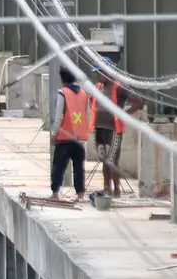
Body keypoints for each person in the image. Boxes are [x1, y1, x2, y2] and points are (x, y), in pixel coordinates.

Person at [91, 59, 145, 197]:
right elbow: (92, 102)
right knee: (104, 159)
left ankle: (116, 190)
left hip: (113, 129)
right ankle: (106, 187)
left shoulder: (119, 86)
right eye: (96, 73)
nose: (97, 75)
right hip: (99, 128)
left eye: (99, 72)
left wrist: (124, 114)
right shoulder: (97, 87)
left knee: (112, 160)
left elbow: (138, 101)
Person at [49, 67, 89, 202]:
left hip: (64, 138)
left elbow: (59, 116)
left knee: (59, 167)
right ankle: (81, 195)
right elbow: (87, 115)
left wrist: (54, 134)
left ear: (62, 79)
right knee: (79, 167)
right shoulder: (84, 93)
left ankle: (55, 194)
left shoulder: (63, 93)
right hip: (78, 138)